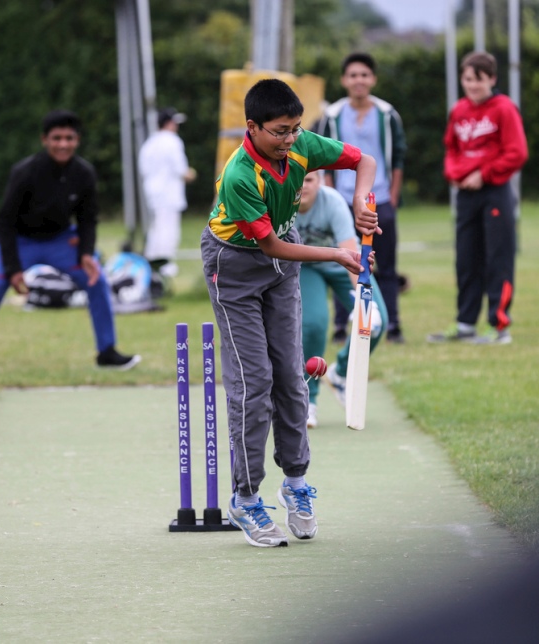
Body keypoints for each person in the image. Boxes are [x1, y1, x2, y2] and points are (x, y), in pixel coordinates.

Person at [200, 79, 377, 547]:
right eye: (280, 131)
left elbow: (365, 161)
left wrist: (361, 200)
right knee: (254, 382)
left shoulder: (299, 146)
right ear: (252, 127)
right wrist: (340, 254)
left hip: (283, 263)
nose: (290, 139)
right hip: (234, 266)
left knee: (292, 378)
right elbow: (272, 245)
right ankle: (245, 497)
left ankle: (296, 483)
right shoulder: (239, 175)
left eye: (296, 129)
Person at [0, 109, 140, 376]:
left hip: (60, 242)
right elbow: (4, 221)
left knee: (97, 280)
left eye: (69, 138)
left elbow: (87, 219)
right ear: (44, 140)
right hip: (19, 241)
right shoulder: (25, 172)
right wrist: (14, 270)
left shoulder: (84, 173)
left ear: (78, 140)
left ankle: (106, 352)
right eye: (57, 138)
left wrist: (86, 253)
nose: (63, 144)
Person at [427, 51, 528, 345]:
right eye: (467, 79)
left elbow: (517, 152)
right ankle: (465, 324)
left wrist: (484, 174)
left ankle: (498, 327)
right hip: (466, 195)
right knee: (466, 259)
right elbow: (451, 149)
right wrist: (455, 174)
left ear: (492, 79)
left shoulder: (504, 108)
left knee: (498, 258)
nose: (472, 86)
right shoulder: (458, 110)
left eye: (478, 80)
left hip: (494, 192)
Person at [317, 51, 408, 344]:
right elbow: (324, 160)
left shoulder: (386, 113)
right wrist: (329, 194)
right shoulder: (332, 115)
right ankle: (343, 324)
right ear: (344, 80)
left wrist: (391, 197)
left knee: (387, 265)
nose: (359, 80)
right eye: (353, 75)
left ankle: (392, 324)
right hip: (343, 200)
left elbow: (398, 159)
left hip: (379, 199)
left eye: (365, 75)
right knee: (347, 261)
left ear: (373, 79)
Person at [295, 170, 388, 429]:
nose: (303, 186)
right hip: (306, 267)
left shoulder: (333, 202)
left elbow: (349, 251)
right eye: (298, 179)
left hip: (343, 263)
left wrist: (362, 301)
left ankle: (340, 372)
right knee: (313, 324)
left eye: (310, 180)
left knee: (376, 321)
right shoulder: (283, 204)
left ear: (322, 181)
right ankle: (308, 400)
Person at [138, 107, 197, 278]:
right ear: (169, 123)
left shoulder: (150, 143)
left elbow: (143, 169)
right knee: (168, 230)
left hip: (152, 192)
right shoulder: (172, 141)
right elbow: (181, 170)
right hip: (169, 192)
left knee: (156, 228)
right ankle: (165, 265)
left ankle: (150, 263)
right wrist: (191, 174)